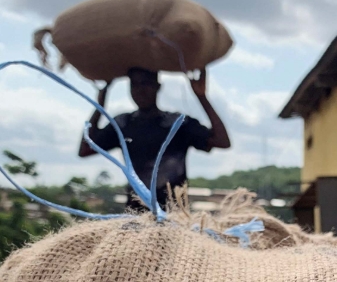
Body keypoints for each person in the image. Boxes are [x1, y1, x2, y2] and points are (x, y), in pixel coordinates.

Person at [78, 66, 230, 209]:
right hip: (136, 214)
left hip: (174, 214)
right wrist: (99, 105)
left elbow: (222, 141)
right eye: (135, 85)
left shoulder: (177, 124)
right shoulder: (123, 124)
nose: (140, 90)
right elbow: (85, 149)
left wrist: (202, 97)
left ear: (158, 86)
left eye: (146, 84)